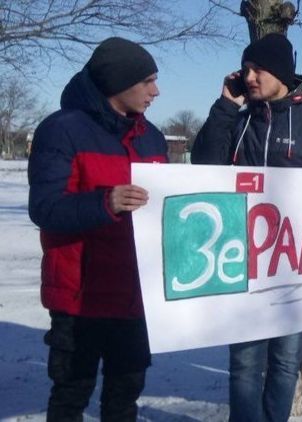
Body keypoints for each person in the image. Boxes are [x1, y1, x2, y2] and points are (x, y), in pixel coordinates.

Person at [191, 33, 302, 422]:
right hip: (243, 260)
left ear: (281, 72)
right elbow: (204, 166)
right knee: (245, 362)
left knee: (285, 361)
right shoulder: (239, 118)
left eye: (258, 70)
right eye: (245, 70)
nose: (249, 77)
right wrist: (225, 104)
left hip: (296, 263)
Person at [27, 37, 166, 421]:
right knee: (70, 397)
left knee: (125, 399)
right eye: (147, 81)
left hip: (135, 294)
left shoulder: (152, 137)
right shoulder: (61, 130)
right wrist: (106, 202)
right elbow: (45, 208)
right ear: (117, 82)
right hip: (79, 296)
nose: (156, 91)